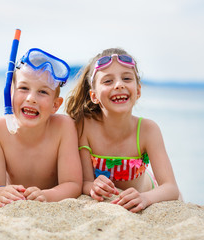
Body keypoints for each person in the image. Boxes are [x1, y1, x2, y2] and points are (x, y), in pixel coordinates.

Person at [65, 48, 180, 212]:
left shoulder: (148, 130)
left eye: (126, 78)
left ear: (138, 90)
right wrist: (92, 187)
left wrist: (145, 198)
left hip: (147, 190)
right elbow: (85, 181)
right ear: (94, 96)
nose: (119, 85)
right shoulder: (85, 127)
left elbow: (170, 188)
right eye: (108, 81)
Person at [0, 48, 82, 207]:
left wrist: (46, 195)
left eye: (42, 91)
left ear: (55, 105)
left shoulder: (63, 127)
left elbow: (73, 184)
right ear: (9, 94)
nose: (31, 98)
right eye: (23, 88)